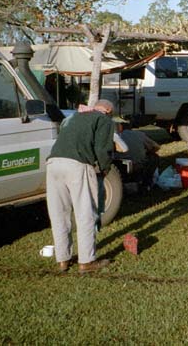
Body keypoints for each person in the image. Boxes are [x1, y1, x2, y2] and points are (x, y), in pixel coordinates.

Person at [45, 99, 116, 274]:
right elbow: (103, 149)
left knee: (59, 214)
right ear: (107, 110)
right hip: (77, 165)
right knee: (85, 214)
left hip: (53, 164)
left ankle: (63, 259)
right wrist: (105, 168)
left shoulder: (75, 116)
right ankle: (86, 262)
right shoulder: (104, 119)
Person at [115, 120, 161, 191]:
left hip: (120, 168)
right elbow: (156, 147)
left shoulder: (114, 137)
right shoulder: (139, 134)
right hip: (138, 165)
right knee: (154, 157)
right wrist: (147, 151)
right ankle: (146, 183)